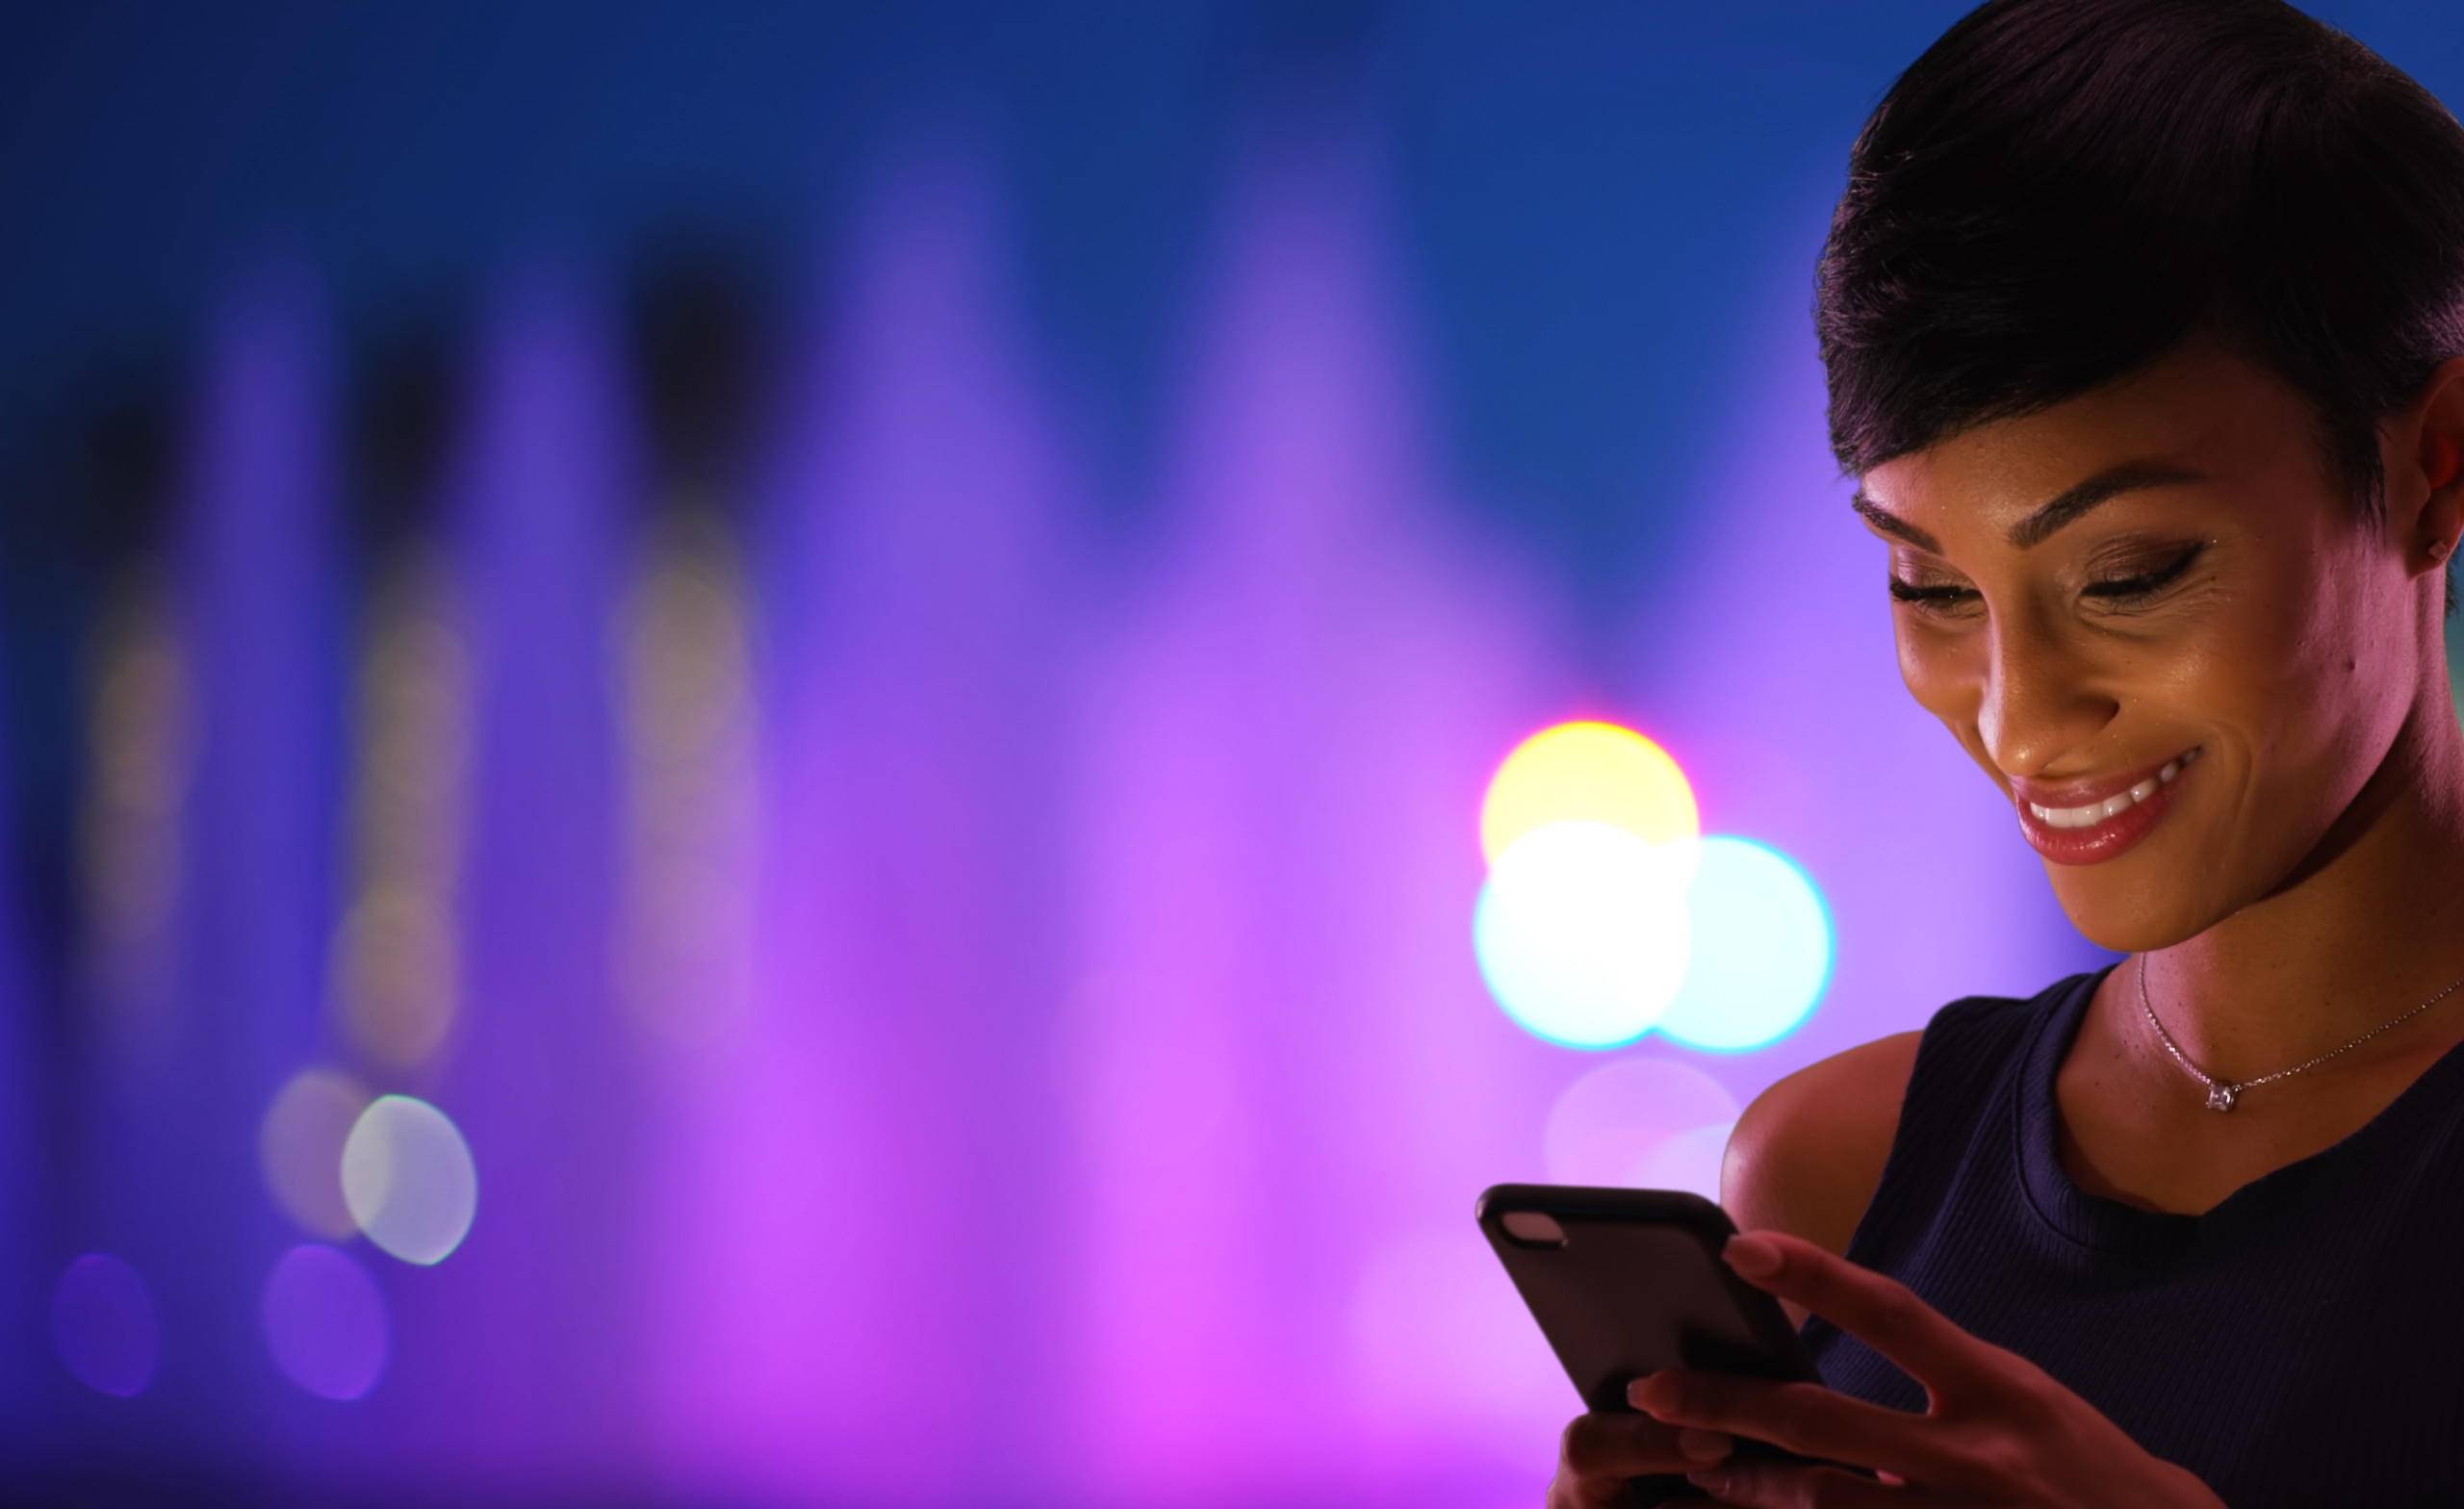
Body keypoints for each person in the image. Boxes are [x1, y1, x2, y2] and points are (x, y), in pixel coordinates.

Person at [1546, 1, 2464, 1504]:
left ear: (2435, 466)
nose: (2019, 720)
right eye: (1933, 589)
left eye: (2131, 573)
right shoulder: (1834, 1180)